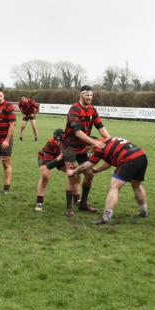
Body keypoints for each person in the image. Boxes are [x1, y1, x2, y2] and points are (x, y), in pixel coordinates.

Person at [68, 137, 148, 225]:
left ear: (91, 144)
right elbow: (109, 162)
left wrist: (74, 171)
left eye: (89, 149)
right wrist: (97, 170)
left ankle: (106, 218)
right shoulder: (107, 140)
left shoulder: (99, 147)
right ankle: (143, 211)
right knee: (136, 185)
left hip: (129, 159)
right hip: (141, 156)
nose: (90, 152)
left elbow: (88, 165)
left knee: (114, 187)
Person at [61, 85, 111, 217]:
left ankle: (83, 204)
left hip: (82, 147)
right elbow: (77, 132)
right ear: (80, 95)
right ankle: (69, 208)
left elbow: (100, 127)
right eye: (86, 95)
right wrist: (95, 142)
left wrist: (111, 140)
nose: (89, 97)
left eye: (91, 95)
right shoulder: (74, 109)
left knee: (89, 174)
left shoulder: (92, 110)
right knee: (72, 175)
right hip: (69, 147)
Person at [35, 129, 66, 212]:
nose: (57, 142)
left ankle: (77, 200)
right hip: (45, 159)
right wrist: (57, 159)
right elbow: (46, 166)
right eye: (56, 139)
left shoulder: (68, 143)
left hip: (59, 157)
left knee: (74, 174)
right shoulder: (50, 143)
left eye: (59, 140)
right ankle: (39, 202)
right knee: (45, 176)